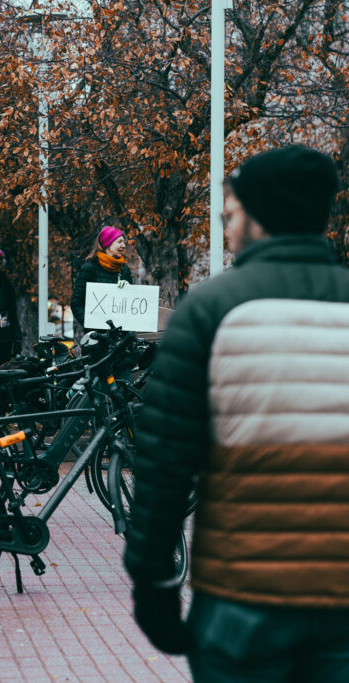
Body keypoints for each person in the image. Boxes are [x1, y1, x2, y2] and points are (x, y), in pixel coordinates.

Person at [123, 145, 349, 678]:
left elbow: (164, 464)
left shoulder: (211, 310)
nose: (227, 218)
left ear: (261, 213)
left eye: (235, 207)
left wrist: (153, 585)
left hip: (241, 600)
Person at [70, 225, 133, 338]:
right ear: (108, 244)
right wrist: (91, 324)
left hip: (120, 339)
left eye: (124, 242)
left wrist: (129, 290)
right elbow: (76, 303)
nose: (123, 246)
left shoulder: (124, 270)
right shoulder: (89, 268)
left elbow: (130, 306)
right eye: (119, 242)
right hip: (96, 338)